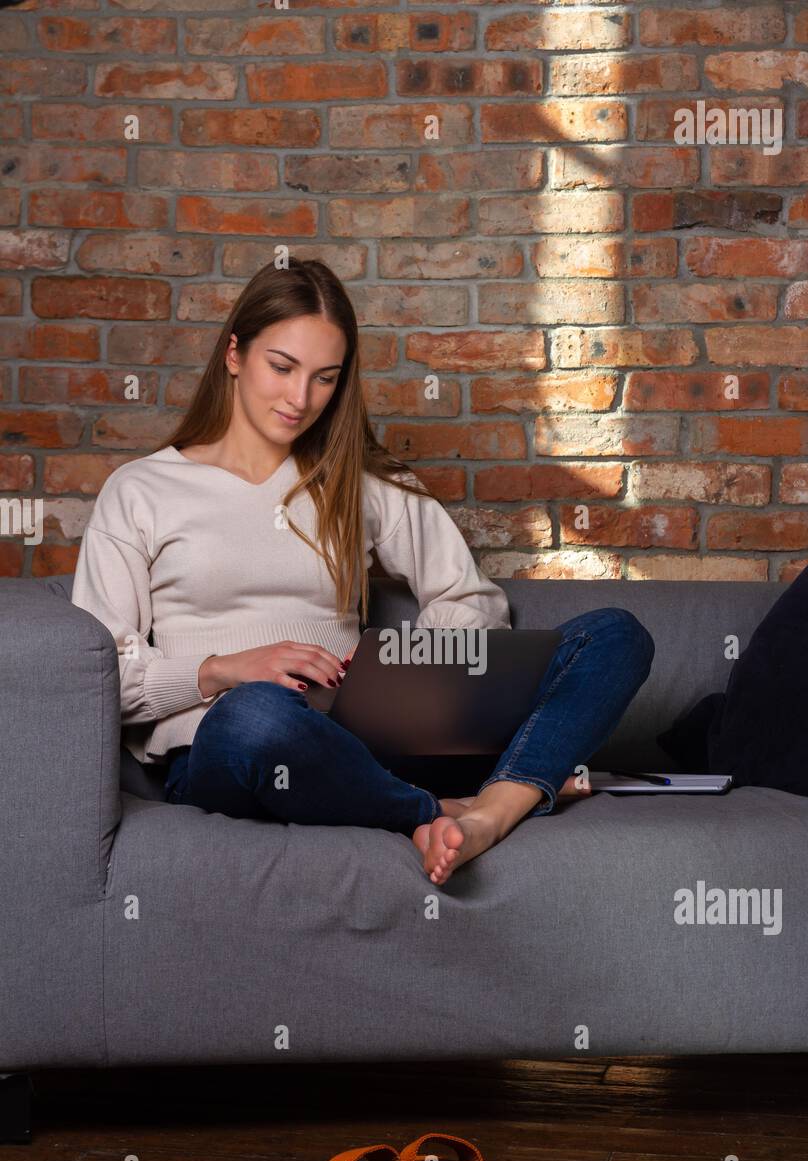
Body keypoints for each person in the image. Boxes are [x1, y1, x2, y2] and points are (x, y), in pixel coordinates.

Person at [71, 259, 654, 885]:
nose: (301, 400)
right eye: (283, 367)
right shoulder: (141, 490)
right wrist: (224, 670)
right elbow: (100, 672)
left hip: (363, 737)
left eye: (325, 378)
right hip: (235, 746)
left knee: (616, 635)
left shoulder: (361, 480)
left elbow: (469, 598)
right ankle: (437, 809)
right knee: (256, 715)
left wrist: (406, 672)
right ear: (234, 354)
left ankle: (494, 810)